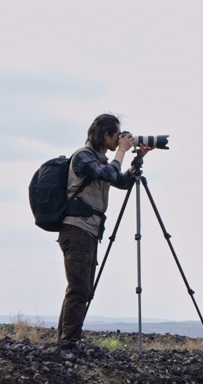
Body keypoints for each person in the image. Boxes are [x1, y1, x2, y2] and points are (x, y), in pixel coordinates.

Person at [57, 113, 152, 344]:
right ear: (106, 135)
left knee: (81, 288)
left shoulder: (98, 160)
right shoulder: (83, 157)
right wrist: (120, 151)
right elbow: (109, 173)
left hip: (88, 231)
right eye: (117, 136)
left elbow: (118, 181)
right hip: (77, 229)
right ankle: (68, 342)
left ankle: (66, 339)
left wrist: (135, 161)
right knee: (80, 289)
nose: (120, 139)